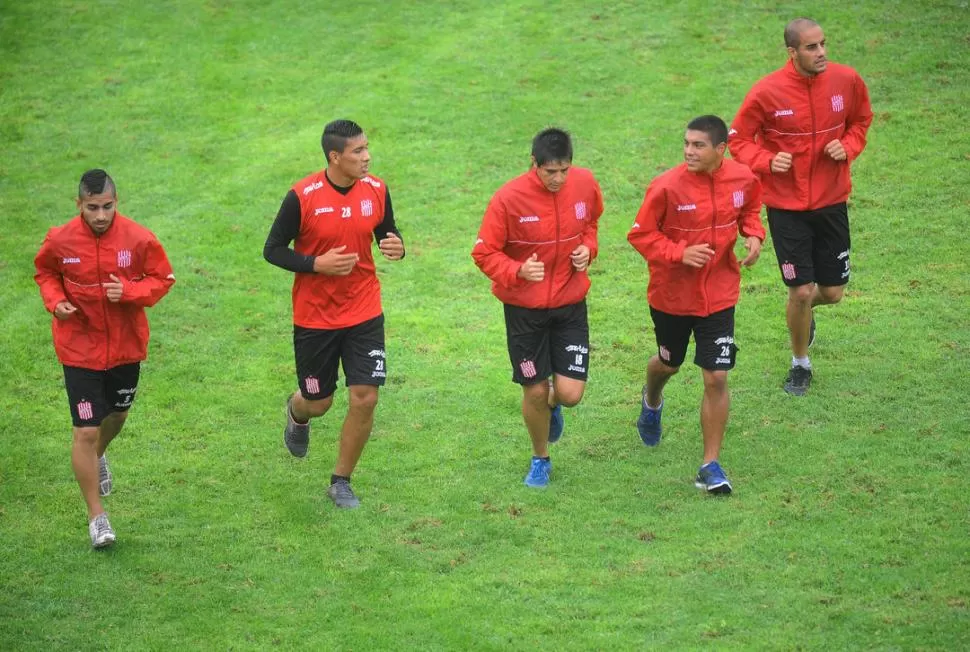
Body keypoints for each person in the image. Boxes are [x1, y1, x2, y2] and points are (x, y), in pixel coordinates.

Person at [263, 119, 405, 509]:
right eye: (358, 151)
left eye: (366, 148)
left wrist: (397, 247)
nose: (367, 156)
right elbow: (273, 249)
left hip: (364, 310)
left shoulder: (376, 189)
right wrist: (315, 264)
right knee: (319, 401)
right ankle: (297, 410)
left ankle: (340, 481)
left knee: (365, 397)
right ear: (335, 156)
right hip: (315, 317)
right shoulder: (302, 196)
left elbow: (386, 232)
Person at [728, 18, 872, 396]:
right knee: (800, 291)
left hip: (831, 202)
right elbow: (738, 139)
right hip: (786, 209)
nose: (821, 52)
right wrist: (765, 159)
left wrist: (850, 146)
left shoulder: (847, 80)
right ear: (792, 52)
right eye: (811, 47)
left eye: (823, 44)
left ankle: (803, 312)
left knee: (833, 292)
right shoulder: (766, 91)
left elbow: (860, 121)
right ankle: (800, 364)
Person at [34, 169, 176, 548]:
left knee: (117, 415)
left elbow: (163, 279)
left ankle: (98, 457)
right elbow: (45, 272)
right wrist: (55, 301)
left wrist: (129, 290)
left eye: (107, 207)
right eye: (93, 207)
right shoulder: (60, 240)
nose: (100, 215)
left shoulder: (139, 237)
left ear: (118, 203)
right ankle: (97, 516)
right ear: (79, 204)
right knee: (85, 429)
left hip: (126, 347)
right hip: (79, 347)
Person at [627, 116, 765, 494]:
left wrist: (754, 234)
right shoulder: (666, 186)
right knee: (669, 363)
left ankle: (710, 464)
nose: (689, 151)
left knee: (716, 375)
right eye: (686, 143)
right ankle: (652, 398)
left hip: (720, 294)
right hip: (672, 296)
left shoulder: (742, 178)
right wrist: (678, 252)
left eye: (698, 145)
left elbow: (750, 210)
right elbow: (639, 235)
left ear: (721, 149)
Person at [472, 128, 603, 488]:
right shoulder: (508, 199)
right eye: (550, 172)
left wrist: (588, 249)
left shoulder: (585, 184)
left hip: (570, 304)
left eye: (564, 170)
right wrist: (517, 270)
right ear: (534, 163)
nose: (559, 179)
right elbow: (483, 253)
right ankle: (540, 457)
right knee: (533, 389)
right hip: (525, 313)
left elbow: (591, 223)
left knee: (571, 394)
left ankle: (554, 403)